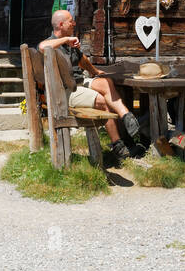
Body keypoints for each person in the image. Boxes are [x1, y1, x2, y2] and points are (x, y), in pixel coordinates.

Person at [39, 9, 140, 160]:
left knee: (106, 82)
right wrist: (66, 40)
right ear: (60, 24)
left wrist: (94, 71)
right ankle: (117, 145)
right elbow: (42, 46)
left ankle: (127, 117)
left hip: (77, 83)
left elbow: (82, 60)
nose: (74, 23)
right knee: (101, 101)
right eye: (70, 21)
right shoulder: (52, 43)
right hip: (64, 91)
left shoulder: (70, 43)